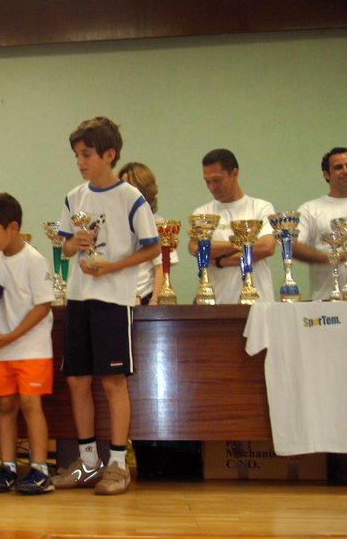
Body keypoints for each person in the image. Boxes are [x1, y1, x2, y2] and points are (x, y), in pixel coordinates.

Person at [55, 117, 160, 495]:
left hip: (114, 300)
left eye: (87, 154)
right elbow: (64, 246)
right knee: (77, 380)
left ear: (109, 154)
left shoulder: (131, 198)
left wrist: (113, 267)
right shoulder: (74, 197)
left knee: (113, 381)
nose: (80, 162)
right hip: (79, 297)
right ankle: (87, 462)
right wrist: (75, 243)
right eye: (77, 155)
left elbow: (153, 247)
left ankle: (117, 464)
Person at [0, 193, 55, 495]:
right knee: (6, 406)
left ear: (13, 227)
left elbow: (42, 307)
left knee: (30, 405)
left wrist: (13, 335)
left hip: (32, 348)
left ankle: (40, 469)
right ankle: (7, 466)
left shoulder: (34, 261)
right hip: (1, 348)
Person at [187, 149, 276, 304]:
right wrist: (246, 243)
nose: (212, 187)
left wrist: (220, 261)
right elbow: (196, 249)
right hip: (216, 304)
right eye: (207, 181)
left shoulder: (261, 208)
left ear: (234, 173)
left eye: (217, 180)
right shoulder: (202, 213)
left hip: (259, 304)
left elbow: (266, 247)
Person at [118, 162, 180, 304]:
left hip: (144, 298)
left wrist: (154, 300)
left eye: (130, 187)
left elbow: (161, 267)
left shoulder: (157, 224)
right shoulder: (113, 224)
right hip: (115, 300)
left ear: (143, 190)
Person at [293, 147, 347, 300]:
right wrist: (335, 257)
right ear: (326, 174)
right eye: (338, 167)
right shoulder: (311, 209)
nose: (345, 171)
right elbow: (293, 247)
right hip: (327, 301)